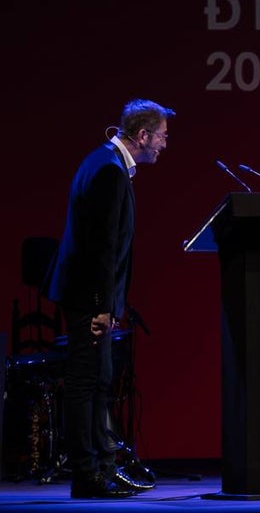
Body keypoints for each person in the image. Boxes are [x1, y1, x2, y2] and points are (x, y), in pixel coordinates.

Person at [42, 98, 175, 499]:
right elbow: (101, 247)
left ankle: (102, 467)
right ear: (142, 135)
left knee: (98, 382)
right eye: (162, 138)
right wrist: (103, 305)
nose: (164, 146)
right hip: (88, 297)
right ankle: (88, 475)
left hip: (89, 295)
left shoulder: (105, 163)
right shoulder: (110, 171)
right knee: (87, 384)